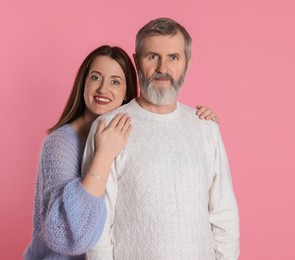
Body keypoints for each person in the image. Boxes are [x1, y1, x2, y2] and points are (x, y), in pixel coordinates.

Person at [24, 45, 220, 259]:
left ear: (127, 91)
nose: (103, 89)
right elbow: (67, 237)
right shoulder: (61, 144)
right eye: (96, 78)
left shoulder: (130, 134)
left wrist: (199, 122)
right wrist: (103, 155)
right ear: (83, 83)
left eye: (115, 81)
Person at [83, 18, 240, 260]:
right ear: (137, 61)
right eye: (153, 56)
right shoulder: (108, 127)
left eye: (173, 57)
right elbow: (98, 223)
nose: (162, 68)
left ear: (187, 62)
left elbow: (223, 214)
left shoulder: (206, 129)